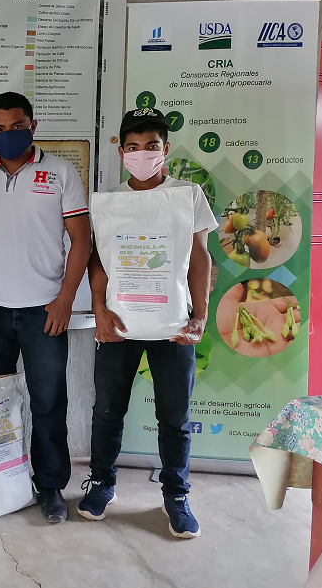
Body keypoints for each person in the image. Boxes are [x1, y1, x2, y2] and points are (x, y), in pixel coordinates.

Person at [79, 107, 214, 539]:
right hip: (119, 324)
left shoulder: (187, 195)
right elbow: (97, 260)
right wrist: (99, 309)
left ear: (165, 150)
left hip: (173, 326)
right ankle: (102, 482)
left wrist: (200, 315)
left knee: (174, 414)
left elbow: (199, 257)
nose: (141, 154)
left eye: (150, 146)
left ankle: (176, 494)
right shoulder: (110, 203)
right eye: (132, 147)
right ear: (121, 151)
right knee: (107, 410)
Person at [0, 91, 91, 524]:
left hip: (45, 312)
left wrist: (64, 301)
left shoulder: (60, 172)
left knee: (48, 402)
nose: (7, 135)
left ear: (32, 126)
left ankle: (51, 486)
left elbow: (82, 241)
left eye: (16, 126)